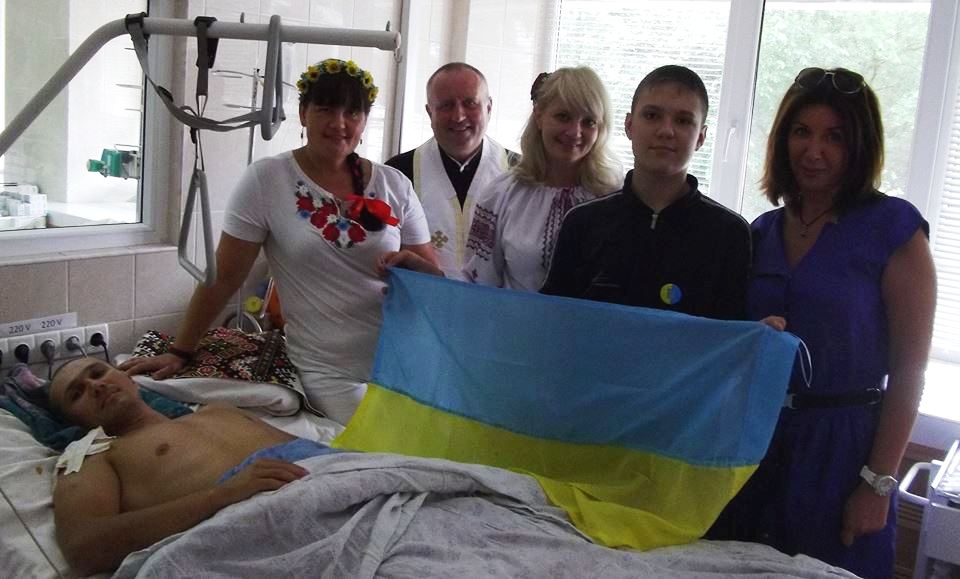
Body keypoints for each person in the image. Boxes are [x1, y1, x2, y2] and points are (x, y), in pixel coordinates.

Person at [707, 67, 936, 579]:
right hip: (756, 445)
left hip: (845, 450)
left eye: (835, 137)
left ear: (860, 146)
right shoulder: (760, 232)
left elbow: (910, 372)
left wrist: (878, 483)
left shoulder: (894, 229)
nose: (814, 151)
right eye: (801, 132)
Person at [119, 59, 436, 425]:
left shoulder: (395, 184)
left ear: (364, 121)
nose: (339, 123)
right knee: (391, 440)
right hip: (331, 372)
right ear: (303, 114)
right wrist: (180, 350)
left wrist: (415, 267)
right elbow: (224, 276)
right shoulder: (268, 181)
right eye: (325, 109)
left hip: (405, 360)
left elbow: (434, 280)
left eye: (352, 112)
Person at [49, 357, 335, 576]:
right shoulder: (92, 456)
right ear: (75, 421)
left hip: (332, 483)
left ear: (128, 376)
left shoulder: (220, 410)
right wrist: (222, 495)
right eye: (77, 393)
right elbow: (84, 548)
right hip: (267, 527)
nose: (95, 386)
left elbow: (319, 457)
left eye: (98, 373)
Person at [539, 65, 751, 320]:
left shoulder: (730, 234)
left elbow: (734, 336)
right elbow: (553, 321)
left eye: (683, 121)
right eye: (652, 116)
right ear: (629, 125)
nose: (666, 131)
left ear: (701, 137)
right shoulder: (582, 223)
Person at [451, 66, 621, 291]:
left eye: (588, 122)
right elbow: (478, 284)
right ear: (539, 116)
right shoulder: (500, 195)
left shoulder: (616, 197)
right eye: (563, 117)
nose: (575, 132)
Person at [385, 62, 518, 279]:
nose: (458, 116)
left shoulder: (522, 172)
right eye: (446, 105)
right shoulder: (397, 174)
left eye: (470, 103)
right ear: (430, 112)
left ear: (489, 108)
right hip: (425, 298)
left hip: (498, 299)